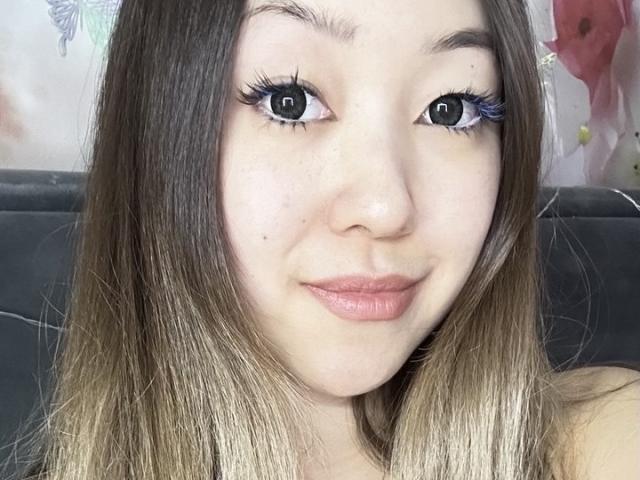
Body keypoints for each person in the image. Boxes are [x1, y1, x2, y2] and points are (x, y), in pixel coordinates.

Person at [9, 0, 640, 479]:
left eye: (451, 108)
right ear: (160, 131)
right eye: (290, 101)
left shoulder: (600, 445)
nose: (385, 207)